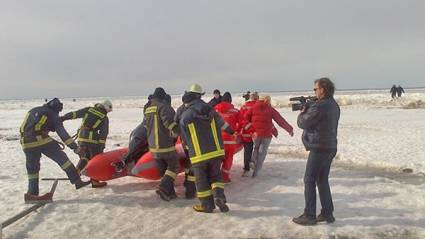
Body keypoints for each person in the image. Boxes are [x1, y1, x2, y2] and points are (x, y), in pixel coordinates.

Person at [20, 98, 90, 203]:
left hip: (25, 141)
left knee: (32, 168)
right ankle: (77, 181)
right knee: (62, 159)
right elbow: (63, 134)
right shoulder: (53, 114)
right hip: (39, 139)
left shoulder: (34, 110)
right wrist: (75, 148)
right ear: (56, 109)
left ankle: (32, 194)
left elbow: (32, 126)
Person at [179, 84, 234, 213]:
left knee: (201, 181)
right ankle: (219, 196)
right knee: (216, 176)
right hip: (216, 150)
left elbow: (184, 135)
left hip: (199, 153)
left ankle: (207, 205)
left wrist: (186, 147)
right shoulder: (210, 109)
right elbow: (222, 123)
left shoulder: (186, 115)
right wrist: (231, 131)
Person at [293, 77, 340, 225]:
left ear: (323, 89)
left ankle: (309, 215)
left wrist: (302, 111)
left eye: (315, 89)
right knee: (322, 179)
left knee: (309, 179)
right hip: (330, 146)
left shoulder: (320, 106)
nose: (314, 91)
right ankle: (327, 213)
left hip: (320, 147)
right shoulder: (333, 104)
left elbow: (304, 123)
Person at [61, 100, 113, 188]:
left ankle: (76, 175)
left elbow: (75, 114)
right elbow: (104, 133)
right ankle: (94, 181)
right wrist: (101, 145)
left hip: (81, 137)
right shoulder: (104, 117)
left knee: (84, 156)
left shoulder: (89, 109)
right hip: (92, 140)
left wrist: (63, 118)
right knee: (94, 160)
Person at [143, 87, 180, 201]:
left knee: (165, 169)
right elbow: (169, 124)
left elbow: (145, 126)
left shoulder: (148, 109)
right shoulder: (163, 107)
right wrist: (179, 131)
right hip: (165, 145)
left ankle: (170, 193)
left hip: (153, 146)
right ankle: (163, 188)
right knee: (174, 166)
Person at [246, 95, 294, 177]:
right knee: (263, 152)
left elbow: (246, 117)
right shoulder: (270, 109)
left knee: (256, 148)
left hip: (256, 134)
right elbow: (280, 120)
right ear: (268, 100)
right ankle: (256, 171)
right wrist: (290, 129)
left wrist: (250, 128)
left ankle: (253, 161)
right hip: (266, 134)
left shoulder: (253, 107)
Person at [214, 92, 241, 183]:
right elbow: (242, 123)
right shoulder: (236, 111)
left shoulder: (214, 110)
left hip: (217, 140)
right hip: (230, 140)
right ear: (230, 100)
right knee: (228, 158)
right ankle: (224, 177)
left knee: (216, 159)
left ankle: (215, 177)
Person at [239, 91, 258, 177]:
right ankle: (254, 165)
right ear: (257, 97)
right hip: (257, 131)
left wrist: (239, 130)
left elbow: (239, 119)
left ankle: (246, 169)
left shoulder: (243, 106)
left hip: (246, 132)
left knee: (247, 150)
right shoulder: (258, 106)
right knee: (258, 149)